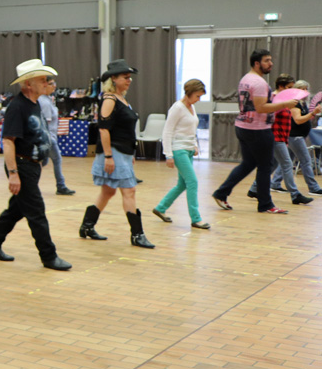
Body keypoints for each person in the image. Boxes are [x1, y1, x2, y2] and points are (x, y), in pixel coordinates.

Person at [0, 60, 72, 271]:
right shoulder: (17, 106)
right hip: (20, 166)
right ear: (29, 84)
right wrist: (13, 173)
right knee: (36, 211)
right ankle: (49, 256)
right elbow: (8, 141)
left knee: (16, 210)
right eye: (42, 79)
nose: (46, 82)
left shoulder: (35, 103)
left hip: (31, 166)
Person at [212, 50, 300, 213]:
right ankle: (266, 204)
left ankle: (221, 192)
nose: (271, 63)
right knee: (265, 166)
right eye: (267, 61)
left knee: (248, 163)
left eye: (271, 60)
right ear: (257, 63)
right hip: (257, 130)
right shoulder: (259, 83)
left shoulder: (246, 79)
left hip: (244, 127)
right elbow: (261, 107)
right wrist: (285, 104)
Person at [79, 59, 154, 248]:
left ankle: (87, 226)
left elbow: (124, 129)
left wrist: (131, 154)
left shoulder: (122, 98)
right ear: (114, 79)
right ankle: (137, 235)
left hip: (123, 151)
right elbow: (103, 129)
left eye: (130, 77)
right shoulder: (109, 98)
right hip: (113, 151)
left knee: (108, 191)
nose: (129, 80)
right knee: (129, 190)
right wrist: (109, 156)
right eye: (125, 77)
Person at [247, 74, 315, 205]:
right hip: (275, 136)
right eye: (289, 87)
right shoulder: (273, 99)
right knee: (287, 164)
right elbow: (267, 115)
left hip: (282, 136)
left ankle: (254, 188)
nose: (291, 90)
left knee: (271, 165)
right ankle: (295, 195)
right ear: (281, 86)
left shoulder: (286, 100)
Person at [152, 79, 210, 229]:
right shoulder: (177, 108)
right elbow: (167, 131)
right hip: (179, 150)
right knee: (193, 182)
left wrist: (195, 145)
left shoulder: (191, 107)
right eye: (197, 96)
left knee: (182, 184)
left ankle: (161, 208)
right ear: (189, 93)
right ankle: (196, 218)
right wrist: (168, 155)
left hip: (188, 149)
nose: (199, 100)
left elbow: (192, 129)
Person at [279, 80, 322, 196]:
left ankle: (274, 183)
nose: (305, 91)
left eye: (306, 89)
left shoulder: (302, 103)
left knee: (285, 161)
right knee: (306, 160)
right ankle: (313, 187)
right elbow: (298, 120)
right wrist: (313, 113)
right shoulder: (295, 103)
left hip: (297, 136)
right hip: (295, 136)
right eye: (302, 89)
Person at [38, 76, 75, 196]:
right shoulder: (44, 102)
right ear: (44, 86)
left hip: (50, 137)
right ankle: (61, 186)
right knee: (56, 159)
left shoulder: (48, 99)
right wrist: (48, 140)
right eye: (51, 84)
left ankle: (29, 184)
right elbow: (45, 124)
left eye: (54, 83)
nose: (54, 86)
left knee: (42, 162)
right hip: (48, 138)